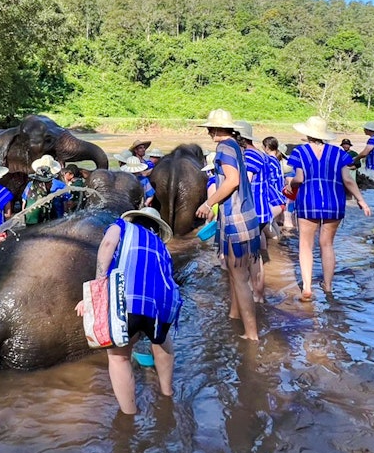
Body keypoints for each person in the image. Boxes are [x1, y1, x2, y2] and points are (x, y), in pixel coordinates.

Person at [74, 207, 181, 415]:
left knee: (118, 357)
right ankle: (167, 394)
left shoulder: (122, 226)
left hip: (129, 298)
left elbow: (107, 245)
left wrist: (98, 288)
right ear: (157, 229)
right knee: (161, 340)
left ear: (135, 219)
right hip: (163, 302)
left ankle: (129, 415)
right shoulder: (161, 246)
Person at [286, 117, 372, 300]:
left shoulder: (300, 151)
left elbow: (299, 179)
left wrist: (289, 185)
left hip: (308, 202)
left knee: (306, 245)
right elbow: (348, 179)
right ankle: (328, 286)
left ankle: (307, 287)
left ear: (308, 133)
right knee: (327, 244)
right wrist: (361, 200)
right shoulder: (338, 153)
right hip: (334, 203)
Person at [194, 109, 261, 341]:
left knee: (240, 278)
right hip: (245, 216)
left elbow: (232, 181)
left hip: (236, 219)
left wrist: (208, 202)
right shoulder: (236, 146)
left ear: (213, 129)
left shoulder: (224, 148)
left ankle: (251, 334)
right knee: (235, 274)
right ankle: (234, 316)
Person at [234, 121, 269, 302]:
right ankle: (259, 294)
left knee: (252, 255)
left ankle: (256, 293)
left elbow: (244, 183)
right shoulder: (261, 154)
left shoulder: (250, 156)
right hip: (262, 210)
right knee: (255, 254)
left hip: (253, 211)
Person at [22, 154, 68, 224]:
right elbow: (67, 204)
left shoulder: (31, 186)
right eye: (50, 182)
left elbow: (24, 204)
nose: (52, 184)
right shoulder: (36, 205)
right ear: (43, 184)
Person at [353, 122, 374, 209]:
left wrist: (354, 159)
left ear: (369, 130)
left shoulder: (373, 139)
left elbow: (365, 153)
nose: (364, 130)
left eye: (365, 129)